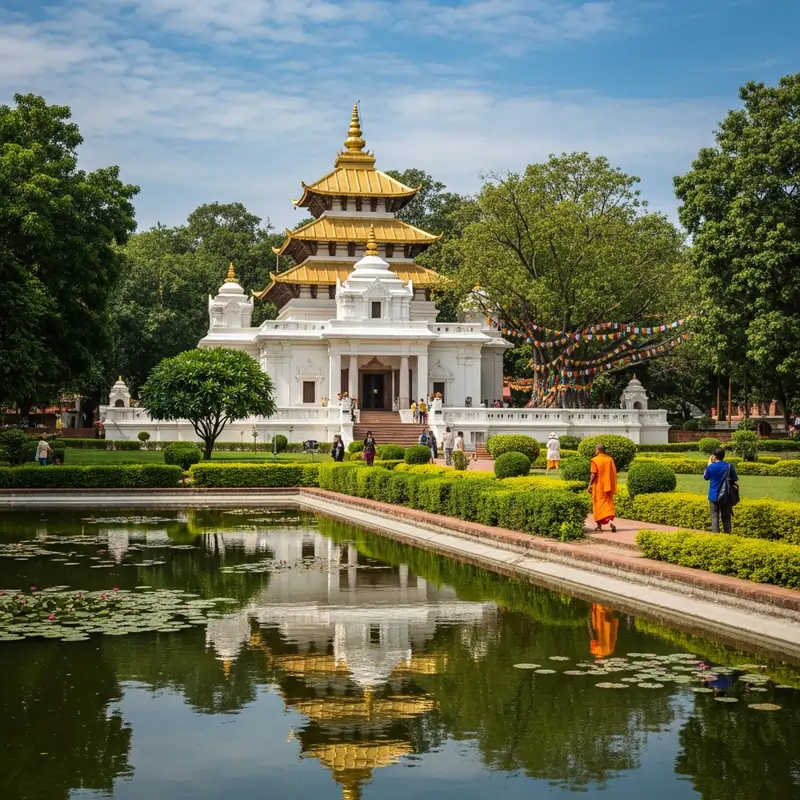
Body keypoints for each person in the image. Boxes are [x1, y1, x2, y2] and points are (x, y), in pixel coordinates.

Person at [703, 447, 739, 533]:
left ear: (714, 456)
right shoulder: (729, 466)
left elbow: (705, 477)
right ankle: (727, 536)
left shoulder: (711, 467)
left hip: (714, 496)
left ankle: (716, 537)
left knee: (714, 517)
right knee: (726, 518)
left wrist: (709, 464)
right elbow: (734, 479)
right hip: (726, 495)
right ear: (724, 456)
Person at [588, 443, 618, 532]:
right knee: (607, 504)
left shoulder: (595, 460)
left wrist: (589, 484)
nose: (595, 451)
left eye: (595, 449)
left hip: (599, 486)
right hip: (608, 486)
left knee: (598, 505)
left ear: (598, 450)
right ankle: (610, 523)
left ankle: (599, 527)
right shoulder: (610, 459)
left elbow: (593, 474)